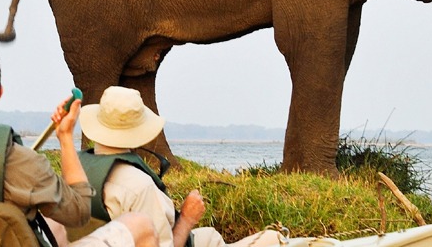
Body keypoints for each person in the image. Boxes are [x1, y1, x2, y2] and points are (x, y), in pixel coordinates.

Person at [0, 45, 156, 247]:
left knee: (55, 225)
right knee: (139, 224)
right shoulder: (23, 162)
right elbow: (79, 212)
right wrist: (65, 138)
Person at [78, 86, 282, 247]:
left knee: (210, 236)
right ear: (137, 130)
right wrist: (186, 218)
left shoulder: (77, 170)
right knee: (275, 238)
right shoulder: (139, 186)